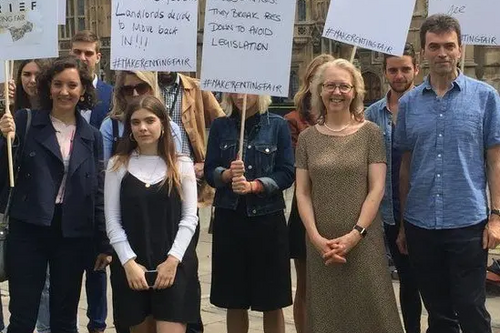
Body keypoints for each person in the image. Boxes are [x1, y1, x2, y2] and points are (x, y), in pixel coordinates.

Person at [395, 14, 500, 333]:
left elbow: (495, 161)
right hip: (421, 224)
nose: (442, 53)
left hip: (467, 222)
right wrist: (402, 225)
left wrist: (496, 216)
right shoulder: (409, 104)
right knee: (438, 312)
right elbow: (406, 166)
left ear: (460, 48)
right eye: (434, 46)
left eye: (449, 46)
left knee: (470, 307)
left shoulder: (485, 98)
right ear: (424, 52)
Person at [0, 55, 110, 333]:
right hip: (29, 229)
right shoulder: (25, 122)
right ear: (48, 87)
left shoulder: (92, 136)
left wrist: (102, 241)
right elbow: (4, 174)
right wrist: (3, 140)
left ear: (83, 89)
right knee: (23, 316)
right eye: (58, 84)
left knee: (64, 317)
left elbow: (97, 192)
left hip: (72, 233)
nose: (64, 91)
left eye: (72, 85)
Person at [295, 58, 403, 333]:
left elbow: (377, 189)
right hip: (322, 244)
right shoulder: (307, 138)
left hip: (363, 240)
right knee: (327, 314)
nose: (337, 92)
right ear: (319, 91)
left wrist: (355, 235)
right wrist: (316, 238)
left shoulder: (370, 133)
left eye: (344, 86)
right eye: (330, 85)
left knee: (372, 310)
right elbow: (303, 193)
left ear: (355, 91)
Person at [105, 95, 199, 333]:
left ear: (163, 124)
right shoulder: (118, 164)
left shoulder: (182, 164)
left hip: (173, 265)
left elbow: (189, 218)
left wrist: (173, 260)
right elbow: (113, 221)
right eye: (136, 122)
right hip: (133, 265)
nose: (143, 128)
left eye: (150, 120)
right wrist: (128, 262)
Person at [205, 93, 295, 333]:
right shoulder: (220, 126)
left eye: (246, 89)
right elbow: (209, 170)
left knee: (272, 299)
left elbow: (287, 172)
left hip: (267, 219)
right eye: (233, 89)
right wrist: (225, 175)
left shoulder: (277, 125)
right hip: (230, 219)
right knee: (234, 299)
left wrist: (256, 185)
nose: (239, 96)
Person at [158, 72, 224, 333]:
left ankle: (192, 325)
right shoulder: (142, 85)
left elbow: (223, 126)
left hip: (188, 188)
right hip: (151, 186)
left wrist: (206, 164)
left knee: (186, 261)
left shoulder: (195, 88)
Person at [364, 43, 422, 333]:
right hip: (387, 210)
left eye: (404, 69)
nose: (398, 75)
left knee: (431, 283)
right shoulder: (373, 114)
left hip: (423, 209)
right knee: (406, 281)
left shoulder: (429, 107)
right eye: (393, 70)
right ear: (385, 71)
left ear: (416, 69)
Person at [285, 53, 334, 333]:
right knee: (305, 285)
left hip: (341, 209)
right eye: (320, 79)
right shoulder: (294, 121)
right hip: (306, 210)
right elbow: (297, 171)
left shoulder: (353, 120)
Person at [69, 30, 113, 333]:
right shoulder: (59, 91)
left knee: (98, 268)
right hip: (66, 196)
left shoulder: (112, 95)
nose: (82, 58)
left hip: (101, 191)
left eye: (88, 53)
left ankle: (97, 325)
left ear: (99, 56)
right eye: (77, 52)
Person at [100, 71, 182, 164]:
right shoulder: (109, 126)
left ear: (152, 89)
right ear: (121, 94)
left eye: (141, 88)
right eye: (128, 89)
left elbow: (175, 167)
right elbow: (105, 168)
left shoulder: (171, 128)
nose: (135, 94)